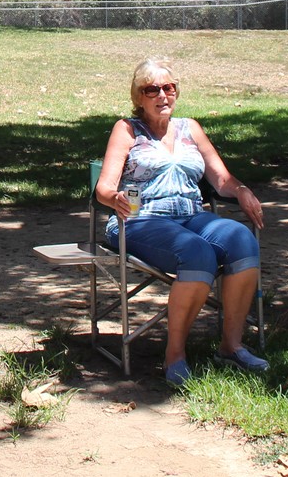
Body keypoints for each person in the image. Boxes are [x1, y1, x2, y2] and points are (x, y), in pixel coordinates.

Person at [94, 59, 268, 387]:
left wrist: (241, 190)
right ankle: (175, 355)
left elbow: (221, 179)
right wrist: (113, 198)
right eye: (152, 89)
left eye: (168, 88)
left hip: (189, 215)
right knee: (197, 253)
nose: (162, 95)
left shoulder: (191, 128)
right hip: (139, 219)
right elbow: (103, 186)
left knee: (242, 239)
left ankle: (231, 346)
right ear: (139, 96)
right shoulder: (127, 129)